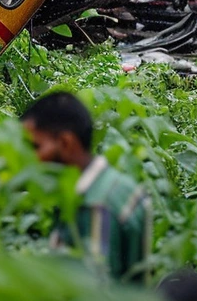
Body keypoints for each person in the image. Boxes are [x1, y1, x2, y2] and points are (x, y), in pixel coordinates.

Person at [21, 91, 152, 282]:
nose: (30, 158)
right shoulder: (119, 184)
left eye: (36, 147)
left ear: (66, 143)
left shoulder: (93, 207)